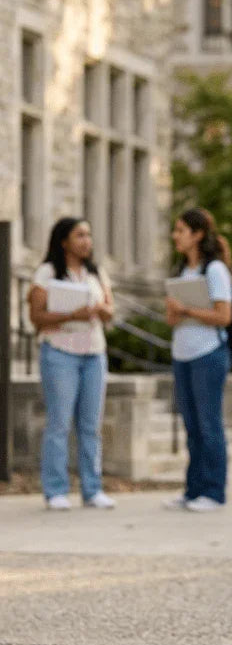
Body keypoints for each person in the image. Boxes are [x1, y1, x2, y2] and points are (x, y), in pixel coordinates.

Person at [28, 218, 115, 510]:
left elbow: (110, 310)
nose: (86, 241)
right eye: (80, 235)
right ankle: (56, 490)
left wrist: (101, 311)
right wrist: (71, 315)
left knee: (91, 426)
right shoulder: (47, 272)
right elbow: (36, 317)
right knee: (59, 423)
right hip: (60, 354)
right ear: (64, 240)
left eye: (89, 235)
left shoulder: (96, 272)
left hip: (93, 354)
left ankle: (92, 489)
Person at [164, 208, 232, 512]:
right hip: (182, 355)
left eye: (180, 230)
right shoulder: (182, 271)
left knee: (209, 426)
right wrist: (176, 311)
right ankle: (193, 490)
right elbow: (171, 319)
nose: (175, 236)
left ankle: (214, 492)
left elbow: (224, 315)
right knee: (191, 426)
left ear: (197, 234)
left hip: (208, 355)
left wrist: (188, 310)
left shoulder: (214, 270)